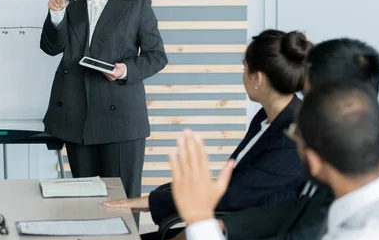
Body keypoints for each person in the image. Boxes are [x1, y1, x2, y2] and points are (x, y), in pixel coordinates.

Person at [164, 38, 379, 240]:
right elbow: (304, 220)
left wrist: (203, 232)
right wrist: (221, 229)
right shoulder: (373, 168)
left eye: (309, 99)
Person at [104, 29, 311, 227]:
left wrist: (148, 203)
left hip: (243, 238)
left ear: (257, 78)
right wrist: (153, 198)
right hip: (223, 224)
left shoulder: (291, 137)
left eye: (244, 69)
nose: (243, 76)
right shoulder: (266, 117)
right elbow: (233, 180)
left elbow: (232, 196)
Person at [40, 0, 168, 202]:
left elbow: (157, 57)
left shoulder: (137, 1)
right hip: (76, 115)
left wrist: (125, 70)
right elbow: (51, 48)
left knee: (121, 204)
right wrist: (56, 15)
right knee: (85, 205)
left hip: (121, 117)